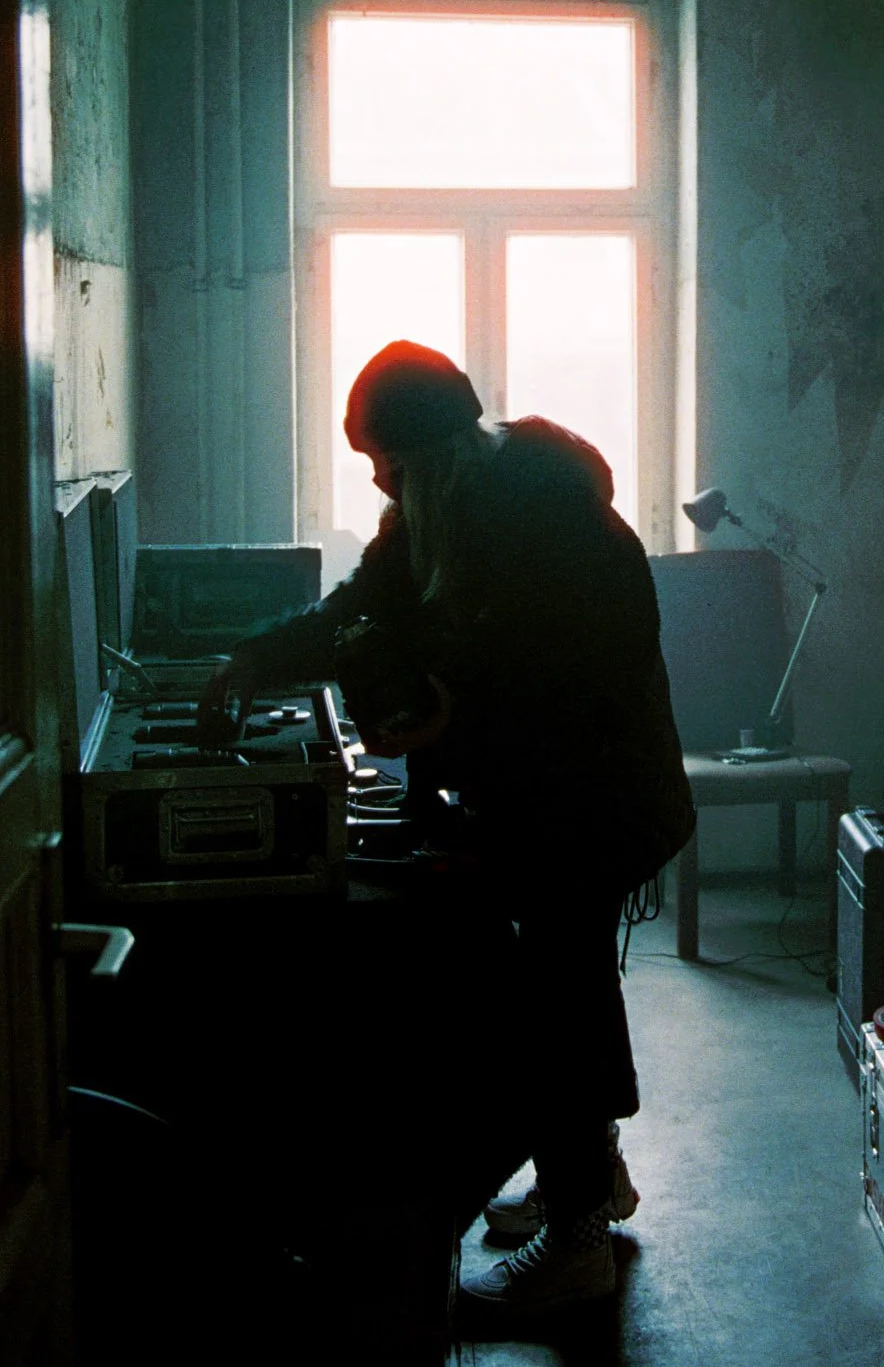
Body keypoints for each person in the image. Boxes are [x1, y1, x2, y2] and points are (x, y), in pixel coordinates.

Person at [197, 340, 695, 1315]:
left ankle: (577, 1239)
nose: (380, 480)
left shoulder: (553, 520)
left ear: (432, 451)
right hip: (555, 793)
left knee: (556, 999)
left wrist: (449, 722)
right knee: (570, 985)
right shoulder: (444, 502)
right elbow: (361, 607)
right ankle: (588, 1177)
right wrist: (252, 660)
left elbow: (569, 685)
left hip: (595, 797)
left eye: (388, 462)